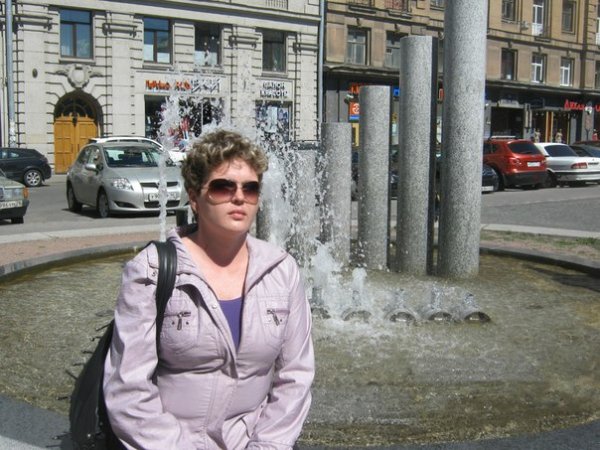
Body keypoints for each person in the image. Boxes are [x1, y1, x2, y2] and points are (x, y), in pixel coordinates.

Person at [103, 129, 315, 449]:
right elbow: (128, 387)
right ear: (194, 197)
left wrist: (267, 445)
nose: (239, 197)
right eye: (222, 187)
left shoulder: (281, 270)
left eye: (250, 188)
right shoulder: (152, 270)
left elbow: (295, 376)